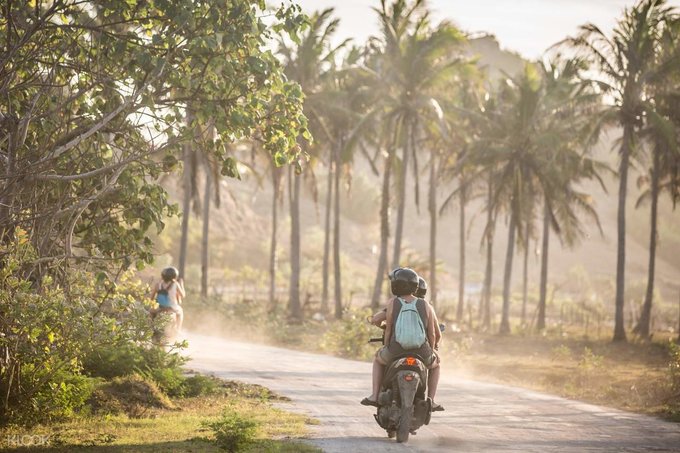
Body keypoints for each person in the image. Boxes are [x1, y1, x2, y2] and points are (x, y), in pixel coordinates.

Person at [362, 268, 443, 410]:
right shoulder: (426, 305)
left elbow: (387, 329)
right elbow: (433, 334)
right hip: (422, 351)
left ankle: (375, 395)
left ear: (396, 285)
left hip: (396, 349)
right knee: (436, 365)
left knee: (377, 359)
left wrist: (387, 345)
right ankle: (431, 399)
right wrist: (431, 349)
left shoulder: (393, 303)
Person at [150, 266, 185, 332]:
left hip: (160, 307)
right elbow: (182, 295)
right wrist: (181, 284)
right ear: (174, 276)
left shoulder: (158, 284)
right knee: (180, 312)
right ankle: (178, 329)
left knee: (151, 313)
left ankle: (151, 328)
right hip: (172, 307)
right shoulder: (176, 284)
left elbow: (151, 298)